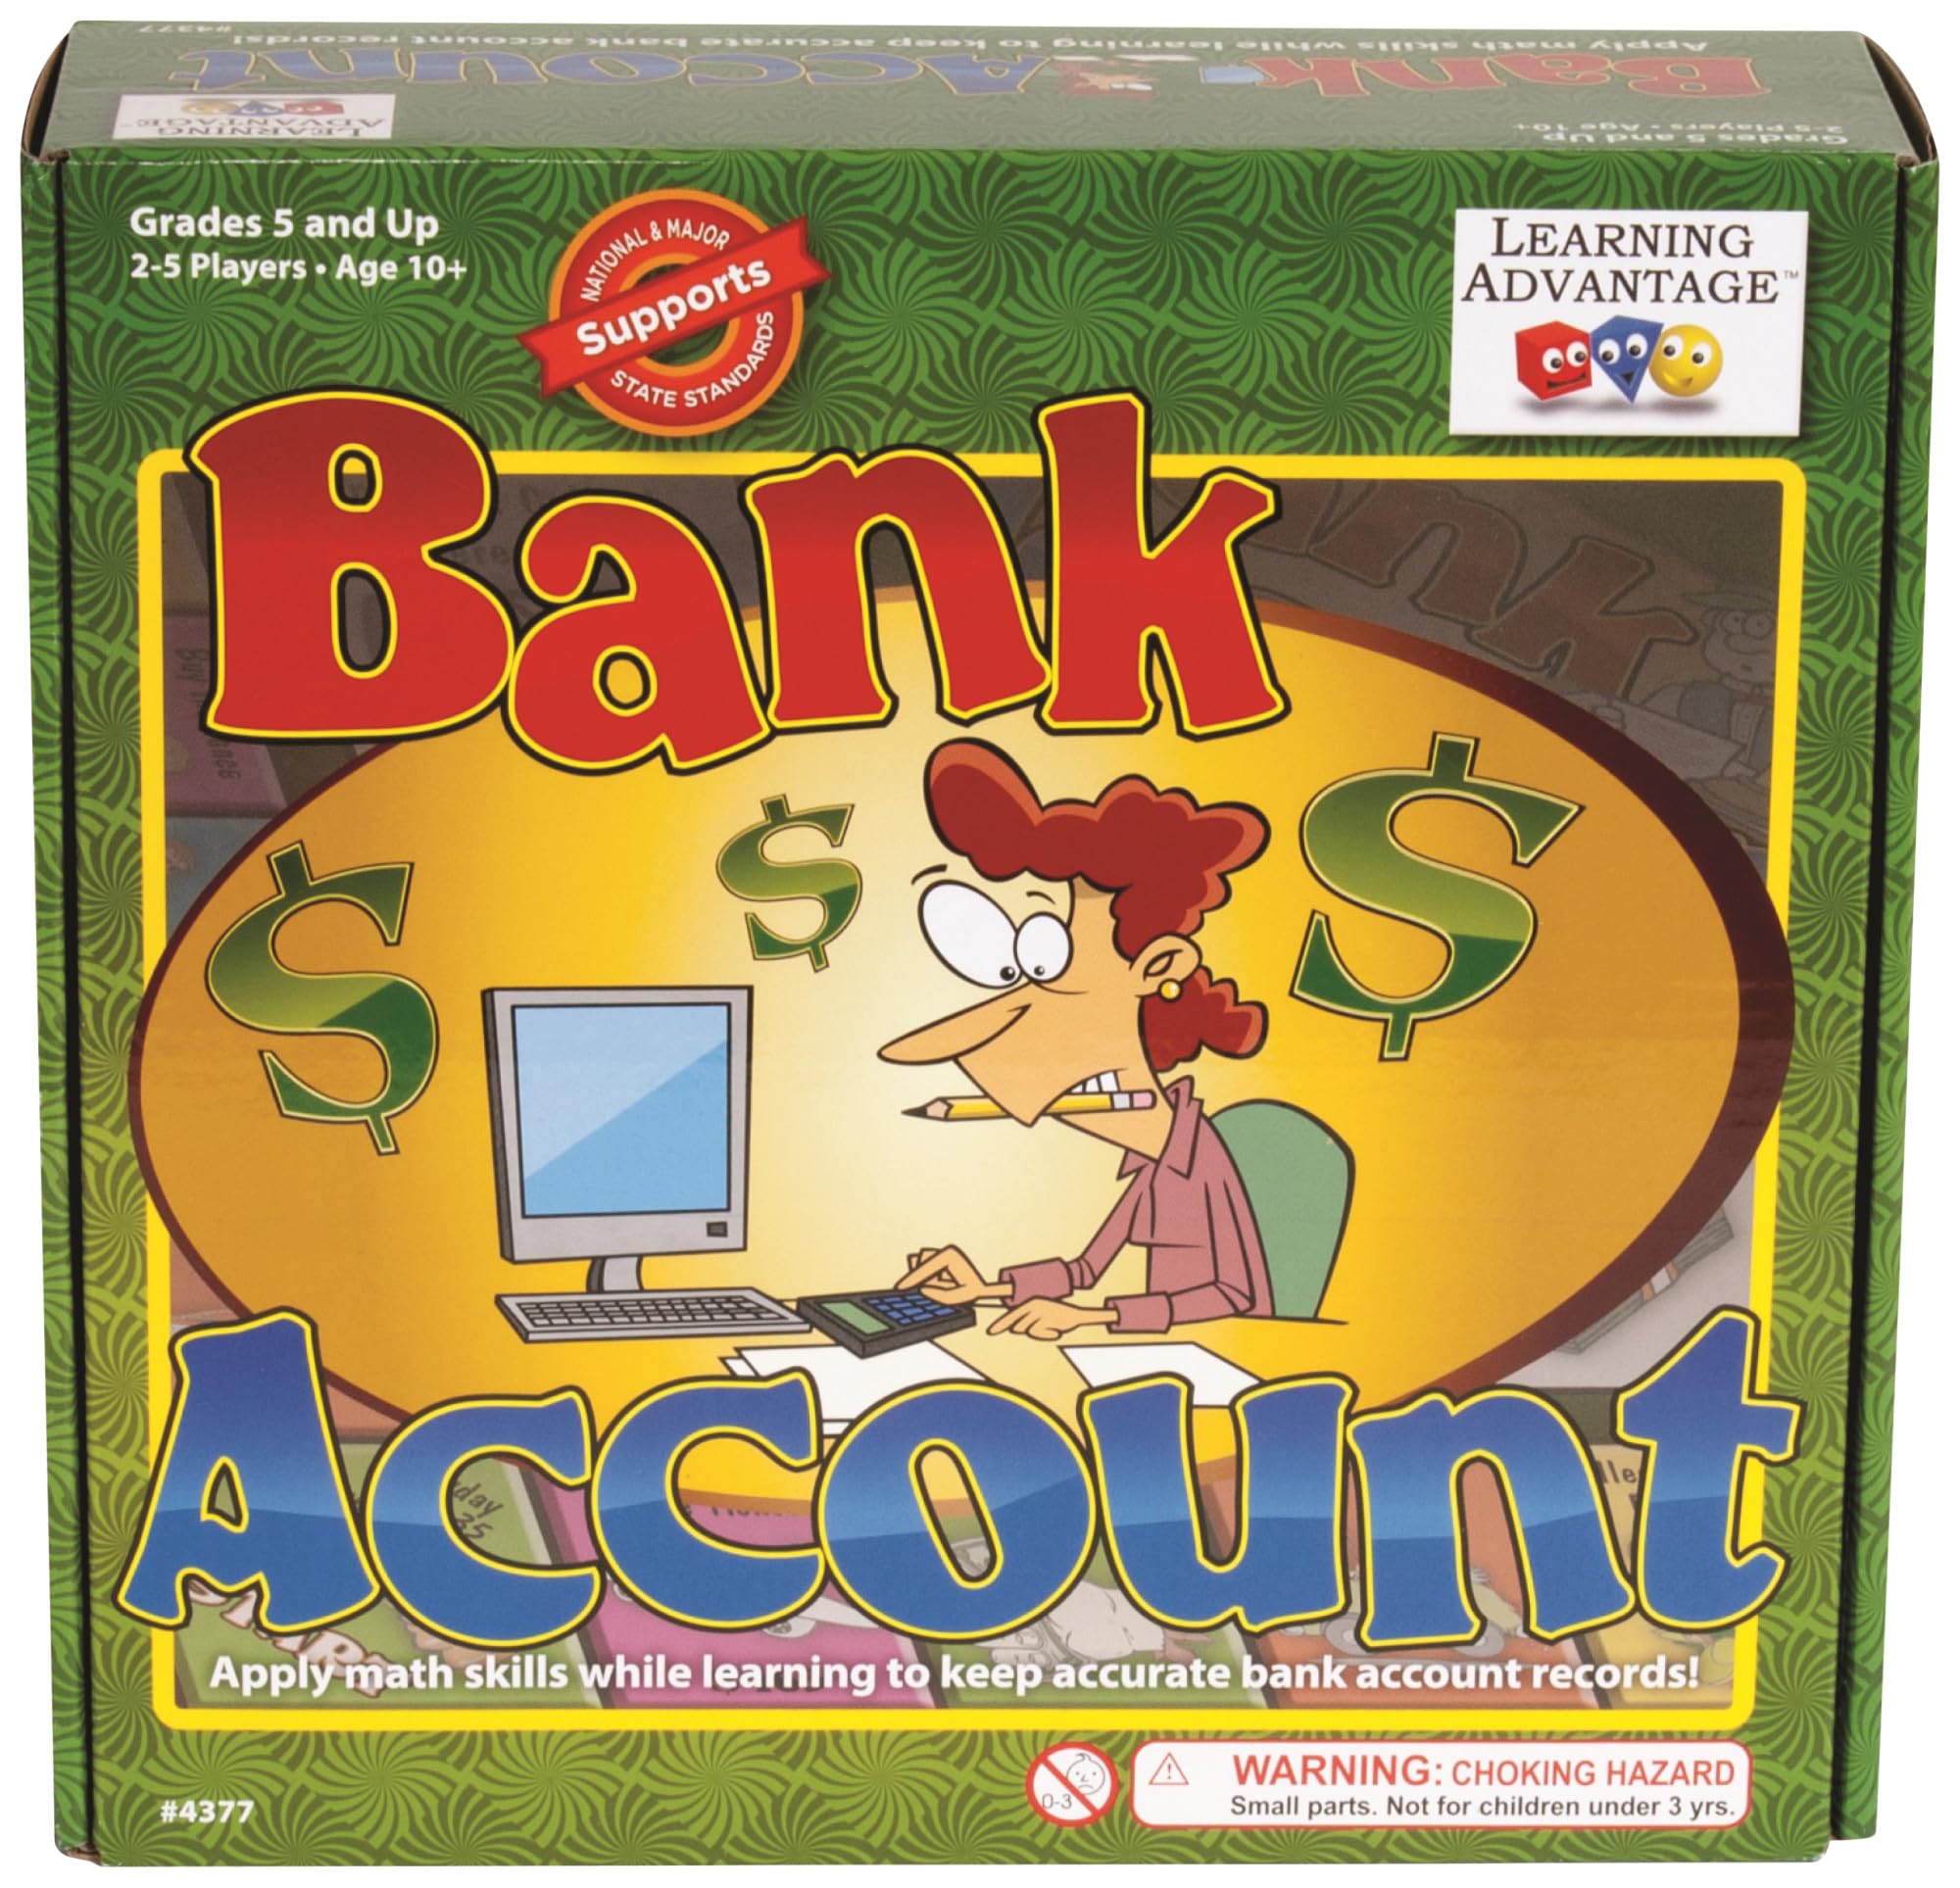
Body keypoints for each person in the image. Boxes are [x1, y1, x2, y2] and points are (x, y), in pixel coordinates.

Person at [881, 739, 1274, 1338]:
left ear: (1158, 967)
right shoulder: (1154, 1159)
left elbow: (1232, 1294)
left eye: (1052, 967)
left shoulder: (1197, 1160)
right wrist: (986, 1287)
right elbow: (1086, 1269)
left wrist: (1093, 1318)